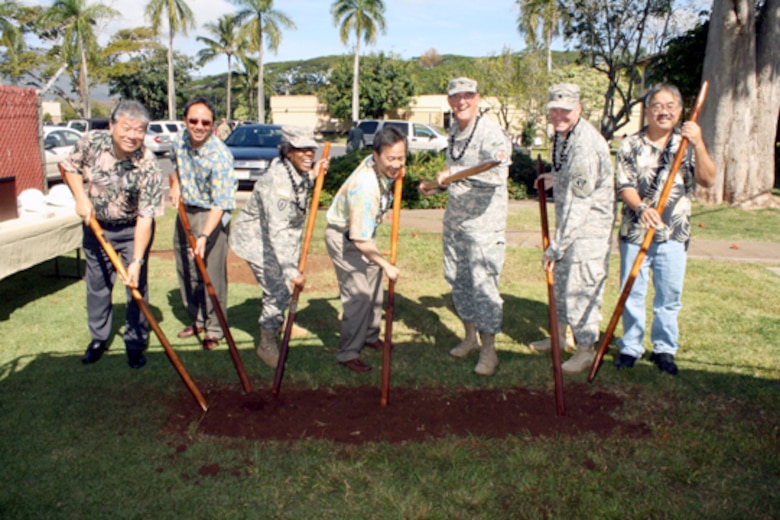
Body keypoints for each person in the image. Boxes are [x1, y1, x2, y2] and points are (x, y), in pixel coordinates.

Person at [613, 83, 716, 375]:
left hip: (674, 233)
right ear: (647, 111)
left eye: (671, 106)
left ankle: (664, 349)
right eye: (657, 105)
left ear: (681, 112)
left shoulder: (685, 144)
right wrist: (642, 208)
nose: (664, 111)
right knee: (631, 291)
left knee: (669, 296)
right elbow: (624, 185)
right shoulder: (630, 144)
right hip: (635, 232)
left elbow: (708, 180)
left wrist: (699, 143)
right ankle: (631, 346)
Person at [59, 100, 163, 369]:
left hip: (132, 231)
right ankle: (99, 338)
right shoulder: (92, 142)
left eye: (139, 129)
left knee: (136, 285)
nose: (132, 135)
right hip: (97, 227)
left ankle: (136, 343)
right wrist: (81, 197)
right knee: (98, 285)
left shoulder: (148, 163)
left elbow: (146, 217)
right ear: (111, 126)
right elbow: (68, 167)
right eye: (126, 127)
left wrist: (137, 261)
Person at [419, 77, 512, 376]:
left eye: (467, 96)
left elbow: (496, 174)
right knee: (458, 280)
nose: (461, 101)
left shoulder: (491, 132)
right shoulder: (455, 132)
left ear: (478, 98)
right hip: (457, 222)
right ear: (449, 101)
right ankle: (470, 337)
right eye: (455, 97)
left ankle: (489, 350)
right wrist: (438, 187)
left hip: (484, 225)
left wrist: (454, 173)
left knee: (483, 285)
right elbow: (456, 177)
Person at [531, 83, 616, 374]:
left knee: (582, 288)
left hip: (587, 231)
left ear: (578, 109)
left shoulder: (584, 145)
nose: (558, 116)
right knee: (564, 285)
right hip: (570, 227)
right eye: (554, 110)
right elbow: (570, 174)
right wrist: (555, 177)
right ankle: (561, 337)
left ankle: (585, 349)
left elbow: (581, 204)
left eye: (565, 110)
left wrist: (556, 246)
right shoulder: (564, 136)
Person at [229, 126, 329, 367]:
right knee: (279, 290)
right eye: (300, 150)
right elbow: (278, 230)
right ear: (287, 152)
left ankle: (281, 322)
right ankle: (267, 343)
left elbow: (298, 188)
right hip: (257, 240)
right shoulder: (277, 182)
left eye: (311, 150)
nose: (308, 154)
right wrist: (290, 270)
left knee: (283, 285)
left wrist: (314, 174)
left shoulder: (295, 171)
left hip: (278, 238)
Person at [324, 127, 405, 373]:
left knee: (374, 289)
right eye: (391, 158)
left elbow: (365, 236)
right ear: (376, 154)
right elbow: (359, 242)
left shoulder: (377, 165)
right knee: (359, 295)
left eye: (401, 157)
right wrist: (387, 265)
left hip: (363, 234)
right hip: (346, 239)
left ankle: (370, 335)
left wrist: (397, 168)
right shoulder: (365, 189)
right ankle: (348, 352)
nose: (397, 164)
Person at [169, 97, 238, 351]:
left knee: (211, 272)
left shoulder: (220, 156)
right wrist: (175, 183)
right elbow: (175, 165)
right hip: (185, 211)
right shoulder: (179, 141)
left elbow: (221, 204)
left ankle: (215, 328)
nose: (198, 126)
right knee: (187, 268)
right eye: (193, 120)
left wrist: (204, 236)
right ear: (185, 121)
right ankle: (197, 320)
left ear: (213, 125)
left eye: (205, 122)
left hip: (212, 215)